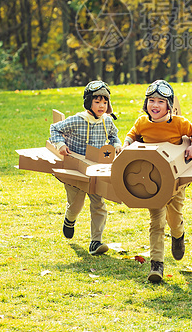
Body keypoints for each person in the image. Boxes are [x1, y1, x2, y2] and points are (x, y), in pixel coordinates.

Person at [122, 79, 192, 283]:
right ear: (146, 104)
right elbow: (132, 135)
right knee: (156, 222)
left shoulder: (178, 123)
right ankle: (156, 264)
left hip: (175, 181)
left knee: (174, 219)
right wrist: (126, 144)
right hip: (153, 183)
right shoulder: (142, 122)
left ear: (169, 105)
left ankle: (178, 235)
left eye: (160, 101)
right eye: (151, 101)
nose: (155, 105)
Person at [50, 80, 121, 255]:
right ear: (89, 102)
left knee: (99, 204)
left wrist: (117, 144)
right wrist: (60, 144)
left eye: (105, 102)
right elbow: (55, 128)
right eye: (97, 102)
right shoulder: (76, 120)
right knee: (76, 204)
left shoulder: (107, 121)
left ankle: (96, 242)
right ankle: (69, 219)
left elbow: (114, 136)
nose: (101, 106)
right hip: (76, 169)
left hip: (97, 170)